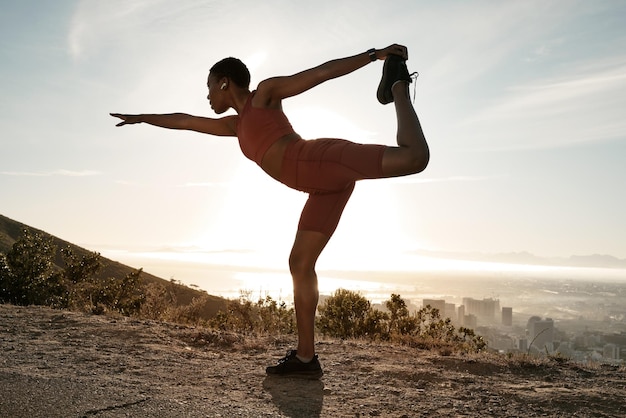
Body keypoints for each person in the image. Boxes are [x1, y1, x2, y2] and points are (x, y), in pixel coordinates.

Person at [111, 44, 429, 379]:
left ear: (223, 83)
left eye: (208, 87)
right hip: (321, 188)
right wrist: (142, 118)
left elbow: (321, 73)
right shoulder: (236, 125)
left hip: (323, 159)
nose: (206, 96)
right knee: (299, 264)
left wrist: (374, 55)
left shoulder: (264, 95)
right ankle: (306, 359)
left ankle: (397, 84)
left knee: (414, 158)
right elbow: (187, 122)